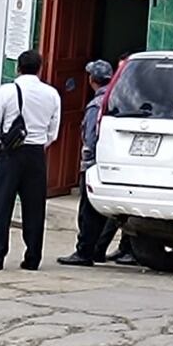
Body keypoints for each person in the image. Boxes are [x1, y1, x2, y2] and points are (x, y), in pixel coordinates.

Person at [0, 49, 60, 271]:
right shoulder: (52, 94)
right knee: (34, 208)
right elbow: (53, 132)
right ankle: (33, 257)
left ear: (18, 68)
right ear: (40, 68)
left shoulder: (7, 91)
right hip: (36, 155)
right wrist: (39, 142)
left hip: (11, 154)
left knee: (2, 205)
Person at [59, 59, 122, 267]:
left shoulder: (97, 104)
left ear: (92, 79)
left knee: (88, 211)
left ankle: (84, 251)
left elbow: (90, 137)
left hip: (93, 165)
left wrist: (85, 163)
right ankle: (96, 249)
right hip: (110, 163)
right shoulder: (116, 99)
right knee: (101, 211)